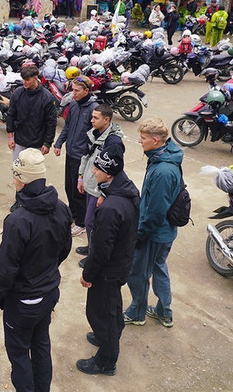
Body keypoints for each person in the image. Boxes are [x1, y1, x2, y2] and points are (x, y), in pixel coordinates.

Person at [0, 149, 72, 392]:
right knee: (41, 344)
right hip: (48, 293)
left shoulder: (17, 221)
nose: (13, 180)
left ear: (21, 179)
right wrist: (46, 270)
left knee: (19, 353)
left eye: (15, 175)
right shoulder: (61, 208)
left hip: (23, 303)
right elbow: (65, 248)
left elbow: (4, 270)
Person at [77, 145, 139, 376]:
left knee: (101, 313)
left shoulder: (111, 209)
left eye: (97, 168)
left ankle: (106, 361)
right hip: (122, 262)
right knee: (111, 306)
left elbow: (101, 250)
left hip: (108, 270)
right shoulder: (126, 190)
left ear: (109, 173)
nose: (93, 171)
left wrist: (88, 274)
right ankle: (109, 334)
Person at [124, 118, 182, 328]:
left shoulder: (162, 171)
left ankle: (137, 313)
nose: (140, 141)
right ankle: (164, 312)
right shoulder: (165, 157)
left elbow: (156, 212)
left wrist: (139, 234)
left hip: (154, 233)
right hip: (165, 232)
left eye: (143, 138)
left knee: (137, 273)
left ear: (155, 140)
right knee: (159, 268)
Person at [76, 104, 125, 265]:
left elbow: (114, 171)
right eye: (92, 117)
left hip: (99, 190)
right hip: (90, 184)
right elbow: (86, 156)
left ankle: (94, 256)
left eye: (95, 118)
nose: (92, 120)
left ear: (106, 120)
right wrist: (81, 177)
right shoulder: (94, 133)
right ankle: (91, 247)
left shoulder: (114, 143)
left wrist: (104, 194)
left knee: (92, 222)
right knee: (90, 222)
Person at [53, 75, 96, 237]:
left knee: (79, 191)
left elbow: (95, 136)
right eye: (73, 90)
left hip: (82, 157)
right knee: (69, 186)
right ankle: (73, 214)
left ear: (87, 91)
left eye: (77, 91)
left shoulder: (94, 109)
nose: (73, 93)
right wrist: (59, 143)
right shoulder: (73, 104)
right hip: (71, 153)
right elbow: (67, 126)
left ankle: (81, 223)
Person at [6, 64, 57, 160]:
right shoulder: (17, 93)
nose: (24, 82)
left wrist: (47, 143)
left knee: (34, 169)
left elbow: (51, 122)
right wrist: (10, 137)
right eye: (23, 79)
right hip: (19, 142)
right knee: (17, 168)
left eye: (27, 80)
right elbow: (11, 115)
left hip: (37, 144)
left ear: (35, 78)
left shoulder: (47, 97)